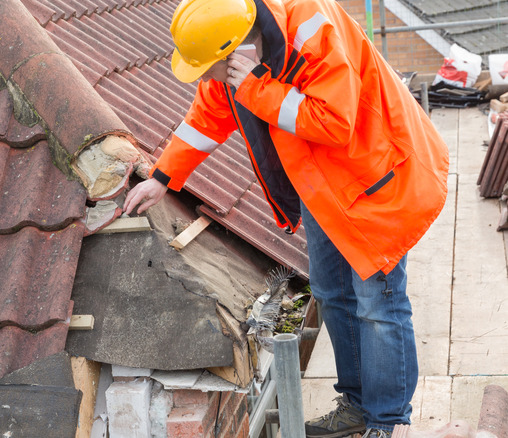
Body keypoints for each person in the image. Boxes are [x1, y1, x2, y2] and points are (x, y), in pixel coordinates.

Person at [122, 0, 450, 436]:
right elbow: (208, 117)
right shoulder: (234, 47)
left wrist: (259, 90)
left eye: (206, 68)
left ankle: (386, 421)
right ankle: (356, 406)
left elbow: (336, 123)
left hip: (376, 182)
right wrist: (163, 177)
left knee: (378, 305)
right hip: (322, 188)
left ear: (237, 51)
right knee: (333, 293)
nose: (202, 78)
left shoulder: (314, 34)